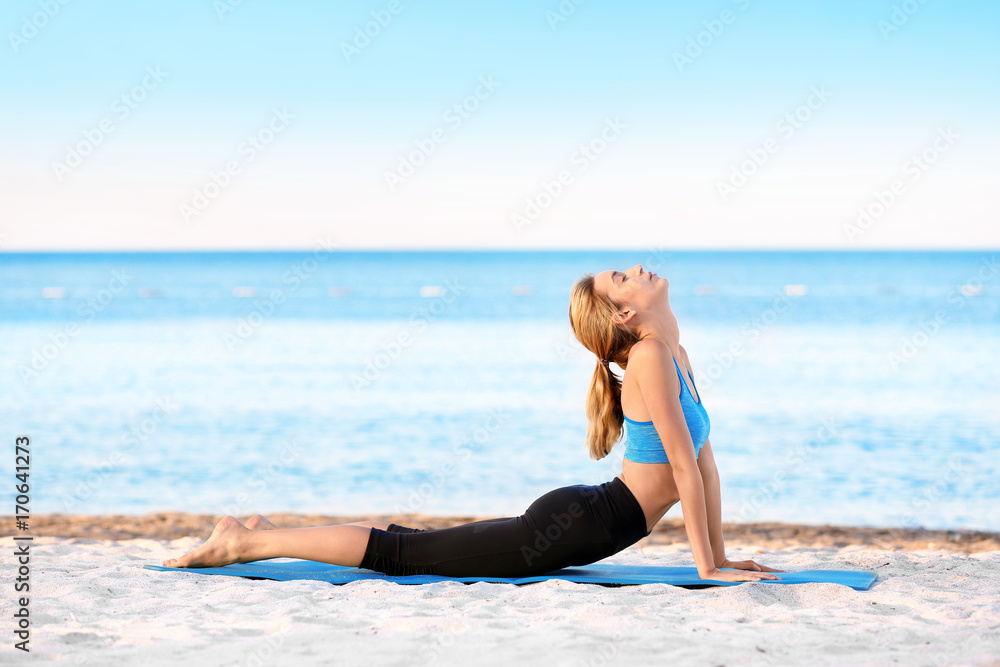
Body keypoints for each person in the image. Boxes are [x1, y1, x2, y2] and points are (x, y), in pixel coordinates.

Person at [163, 264, 783, 582]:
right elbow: (681, 468)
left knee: (420, 541)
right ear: (624, 312)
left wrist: (722, 559)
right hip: (577, 526)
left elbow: (703, 464)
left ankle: (268, 530)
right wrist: (707, 569)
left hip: (588, 516)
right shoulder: (649, 357)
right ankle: (245, 542)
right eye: (621, 276)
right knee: (407, 555)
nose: (635, 269)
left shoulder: (671, 354)